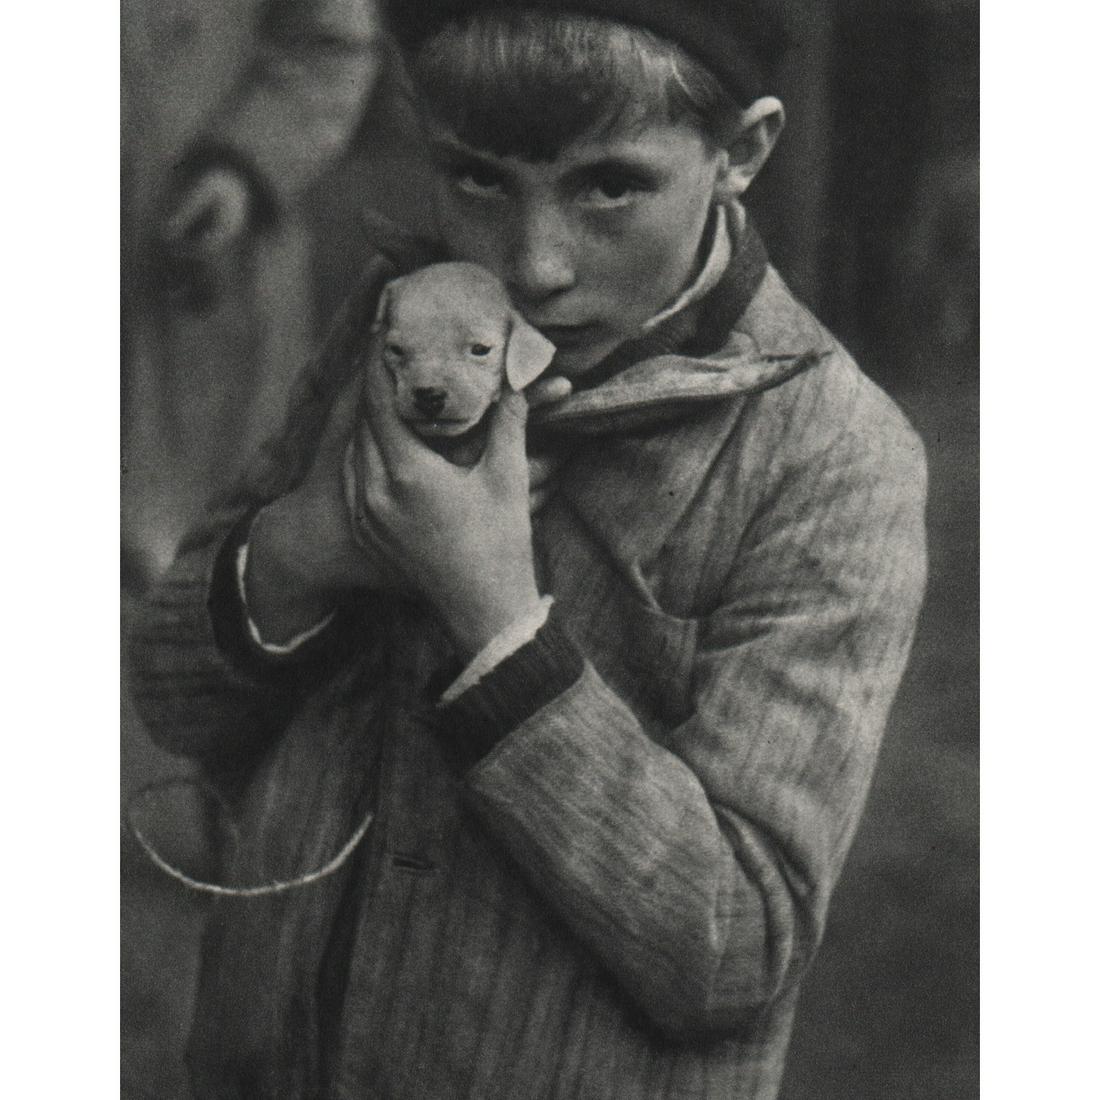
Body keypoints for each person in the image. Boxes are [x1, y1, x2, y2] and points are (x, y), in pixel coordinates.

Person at [128, 2, 928, 1097]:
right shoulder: (403, 316)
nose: (533, 263)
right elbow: (171, 695)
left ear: (740, 150)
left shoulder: (828, 457)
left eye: (608, 186)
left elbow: (733, 945)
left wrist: (494, 617)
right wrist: (309, 545)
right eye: (475, 179)